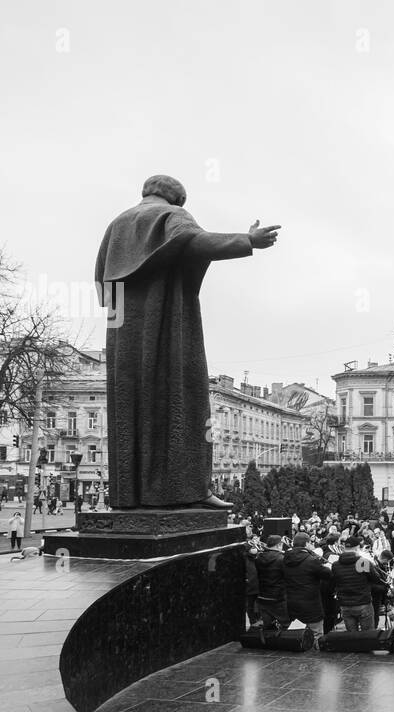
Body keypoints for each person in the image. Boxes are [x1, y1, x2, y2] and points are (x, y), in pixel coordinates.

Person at [95, 173, 280, 509]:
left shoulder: (116, 225)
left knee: (131, 404)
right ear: (177, 198)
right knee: (186, 401)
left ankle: (130, 496)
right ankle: (191, 492)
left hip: (123, 333)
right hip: (168, 327)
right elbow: (196, 242)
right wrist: (248, 240)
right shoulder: (170, 216)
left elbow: (102, 283)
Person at [282, 532, 331, 636]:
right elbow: (328, 574)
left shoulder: (285, 558)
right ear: (307, 543)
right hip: (311, 604)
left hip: (292, 602)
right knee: (316, 634)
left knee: (296, 635)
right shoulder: (311, 560)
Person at [331, 545, 377, 632]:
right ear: (356, 549)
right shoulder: (364, 562)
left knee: (352, 636)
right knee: (368, 635)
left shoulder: (335, 565)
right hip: (363, 602)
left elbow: (333, 582)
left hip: (345, 604)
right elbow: (375, 579)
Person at [252, 535, 288, 632]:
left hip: (263, 595)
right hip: (278, 597)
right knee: (285, 625)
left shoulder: (259, 557)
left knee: (267, 626)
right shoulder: (282, 559)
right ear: (279, 545)